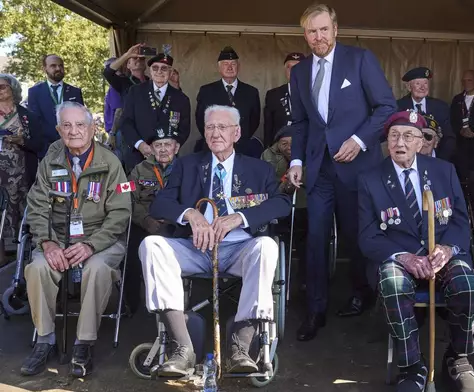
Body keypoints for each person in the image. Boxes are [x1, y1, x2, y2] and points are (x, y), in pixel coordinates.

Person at [139, 105, 291, 376]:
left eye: (222, 127)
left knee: (266, 247)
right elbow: (160, 204)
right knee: (151, 245)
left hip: (239, 248)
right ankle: (181, 348)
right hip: (194, 248)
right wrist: (190, 214)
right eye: (210, 127)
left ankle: (241, 346)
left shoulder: (259, 168)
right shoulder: (186, 164)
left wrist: (240, 218)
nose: (215, 133)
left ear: (237, 133)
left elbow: (282, 205)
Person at [287, 3, 397, 341]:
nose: (318, 37)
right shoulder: (299, 72)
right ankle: (315, 310)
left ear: (335, 29)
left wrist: (359, 140)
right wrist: (296, 161)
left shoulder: (360, 59)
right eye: (311, 31)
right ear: (305, 35)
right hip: (319, 170)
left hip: (358, 170)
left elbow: (386, 107)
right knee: (316, 238)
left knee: (356, 237)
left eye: (323, 29)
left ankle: (363, 294)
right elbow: (302, 122)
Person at [358, 110, 474, 392]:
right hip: (400, 256)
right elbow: (367, 235)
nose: (400, 142)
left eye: (408, 136)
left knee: (468, 286)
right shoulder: (370, 179)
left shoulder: (443, 171)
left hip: (442, 253)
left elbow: (461, 219)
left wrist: (449, 249)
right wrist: (405, 257)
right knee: (392, 282)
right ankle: (411, 366)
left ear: (421, 142)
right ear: (386, 142)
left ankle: (458, 357)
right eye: (393, 136)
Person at [21, 102, 131, 378]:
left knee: (97, 268)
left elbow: (121, 213)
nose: (74, 131)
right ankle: (45, 340)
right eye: (66, 126)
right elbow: (36, 206)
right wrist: (47, 242)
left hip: (100, 239)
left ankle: (84, 342)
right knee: (37, 268)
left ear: (92, 128)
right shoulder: (51, 160)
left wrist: (91, 245)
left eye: (80, 125)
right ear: (58, 130)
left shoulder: (111, 162)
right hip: (58, 237)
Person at [125, 125, 180, 313]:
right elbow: (126, 198)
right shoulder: (138, 170)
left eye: (167, 144)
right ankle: (130, 306)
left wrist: (172, 220)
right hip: (144, 223)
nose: (163, 149)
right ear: (151, 148)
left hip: (176, 225)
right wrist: (146, 220)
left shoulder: (188, 168)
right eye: (158, 145)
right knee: (130, 251)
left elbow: (193, 199)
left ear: (176, 148)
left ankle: (174, 305)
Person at [119, 53, 191, 174]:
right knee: (133, 191)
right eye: (155, 68)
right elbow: (126, 122)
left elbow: (184, 129)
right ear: (150, 71)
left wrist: (172, 146)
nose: (159, 72)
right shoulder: (135, 92)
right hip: (138, 157)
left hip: (168, 160)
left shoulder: (181, 98)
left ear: (171, 72)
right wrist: (140, 145)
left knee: (169, 191)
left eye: (164, 68)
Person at [0, 74, 43, 266]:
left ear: (13, 89)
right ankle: (1, 256)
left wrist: (22, 141)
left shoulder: (27, 116)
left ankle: (24, 256)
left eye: (2, 87)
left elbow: (39, 144)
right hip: (1, 176)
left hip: (24, 174)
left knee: (24, 213)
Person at [261, 125, 308, 288]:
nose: (289, 148)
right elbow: (267, 184)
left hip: (304, 204)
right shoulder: (268, 155)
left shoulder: (309, 153)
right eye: (284, 144)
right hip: (278, 205)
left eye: (293, 144)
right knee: (279, 237)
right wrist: (285, 185)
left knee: (307, 240)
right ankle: (278, 277)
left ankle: (304, 279)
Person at [195, 46, 262, 157]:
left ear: (238, 67)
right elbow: (200, 120)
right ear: (219, 68)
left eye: (233, 64)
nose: (230, 67)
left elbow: (254, 121)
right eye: (225, 64)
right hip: (214, 147)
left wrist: (238, 138)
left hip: (242, 148)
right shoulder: (206, 91)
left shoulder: (251, 92)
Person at [28, 54, 84, 158]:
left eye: (61, 65)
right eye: (53, 66)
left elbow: (81, 119)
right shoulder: (35, 92)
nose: (58, 68)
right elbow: (35, 121)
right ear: (44, 68)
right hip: (47, 149)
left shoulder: (75, 92)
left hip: (73, 147)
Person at [397, 67, 456, 162]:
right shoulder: (398, 107)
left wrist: (439, 161)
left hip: (436, 159)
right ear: (409, 87)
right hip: (406, 160)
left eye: (425, 83)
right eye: (418, 84)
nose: (422, 87)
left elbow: (449, 138)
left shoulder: (441, 106)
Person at [263, 52, 304, 146]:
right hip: (280, 151)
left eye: (297, 67)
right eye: (289, 67)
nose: (293, 70)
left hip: (306, 149)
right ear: (284, 70)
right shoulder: (273, 95)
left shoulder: (314, 94)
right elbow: (268, 128)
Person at [103, 58, 123, 135]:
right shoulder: (117, 85)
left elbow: (119, 110)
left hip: (117, 130)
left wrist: (112, 133)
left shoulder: (116, 87)